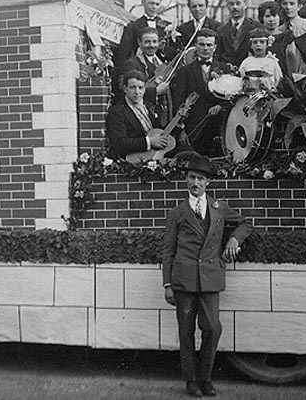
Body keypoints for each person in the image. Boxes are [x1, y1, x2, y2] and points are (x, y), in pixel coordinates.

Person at [161, 152, 252, 398]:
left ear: (208, 182)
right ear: (186, 179)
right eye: (192, 177)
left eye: (201, 179)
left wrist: (233, 238)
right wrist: (167, 284)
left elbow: (246, 223)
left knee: (212, 328)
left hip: (211, 277)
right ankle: (191, 381)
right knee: (186, 331)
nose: (196, 183)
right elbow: (168, 250)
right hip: (184, 279)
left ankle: (206, 378)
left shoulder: (219, 208)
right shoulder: (177, 213)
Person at [171, 28, 230, 157]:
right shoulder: (184, 72)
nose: (205, 48)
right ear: (196, 46)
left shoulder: (224, 69)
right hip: (193, 129)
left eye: (209, 45)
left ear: (215, 47)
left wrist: (220, 106)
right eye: (202, 44)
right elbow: (178, 103)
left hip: (218, 128)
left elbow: (231, 98)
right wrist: (181, 130)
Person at [105, 68, 167, 159]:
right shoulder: (117, 112)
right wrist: (149, 142)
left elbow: (160, 131)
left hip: (156, 155)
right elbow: (120, 143)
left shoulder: (150, 106)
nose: (137, 92)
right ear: (125, 88)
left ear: (145, 89)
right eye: (132, 87)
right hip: (135, 160)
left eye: (140, 88)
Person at [113, 0, 174, 75]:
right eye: (151, 3)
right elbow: (123, 54)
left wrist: (163, 49)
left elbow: (173, 54)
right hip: (141, 73)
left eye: (157, 4)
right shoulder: (133, 27)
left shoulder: (167, 26)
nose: (154, 7)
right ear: (143, 2)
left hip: (163, 73)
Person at [215, 0, 262, 68]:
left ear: (245, 5)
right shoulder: (221, 31)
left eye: (238, 3)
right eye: (231, 4)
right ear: (227, 6)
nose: (235, 7)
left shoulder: (255, 27)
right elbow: (218, 56)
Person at [238, 28, 283, 93]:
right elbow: (241, 81)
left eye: (262, 42)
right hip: (250, 96)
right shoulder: (246, 62)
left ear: (267, 44)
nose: (258, 45)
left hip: (269, 96)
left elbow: (278, 81)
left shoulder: (273, 62)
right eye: (255, 42)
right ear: (251, 45)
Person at [257, 0, 292, 75]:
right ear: (262, 18)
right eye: (267, 16)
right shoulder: (257, 38)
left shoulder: (287, 38)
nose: (271, 19)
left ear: (280, 17)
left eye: (274, 15)